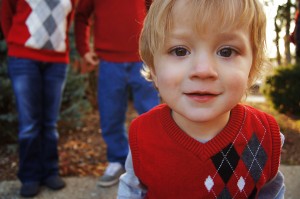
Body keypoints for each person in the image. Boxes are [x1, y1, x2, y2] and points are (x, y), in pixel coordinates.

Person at [117, 0, 285, 198]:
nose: (203, 70)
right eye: (180, 51)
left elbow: (270, 191)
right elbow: (131, 191)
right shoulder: (143, 136)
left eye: (226, 51)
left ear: (252, 67)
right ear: (153, 68)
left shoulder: (264, 136)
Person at [74, 0, 160, 187]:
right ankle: (117, 160)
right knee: (110, 113)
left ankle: (151, 163)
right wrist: (84, 50)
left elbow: (160, 11)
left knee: (151, 114)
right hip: (109, 61)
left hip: (143, 59)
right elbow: (80, 16)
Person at [1, 0, 76, 197]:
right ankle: (30, 176)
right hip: (23, 58)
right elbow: (6, 14)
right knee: (29, 124)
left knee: (50, 123)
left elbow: (67, 20)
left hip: (57, 61)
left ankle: (50, 172)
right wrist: (16, 42)